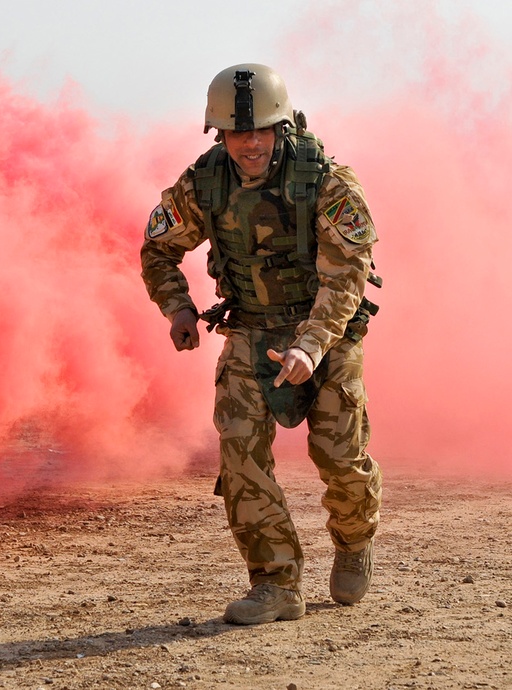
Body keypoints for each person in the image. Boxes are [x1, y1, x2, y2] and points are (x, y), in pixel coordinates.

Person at [140, 63, 383, 625]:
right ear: (218, 134)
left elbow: (346, 276)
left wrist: (312, 346)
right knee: (240, 458)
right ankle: (275, 583)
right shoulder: (205, 182)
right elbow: (157, 247)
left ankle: (353, 540)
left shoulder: (327, 181)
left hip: (326, 330)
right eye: (236, 133)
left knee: (340, 458)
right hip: (249, 331)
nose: (250, 144)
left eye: (261, 131)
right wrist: (177, 307)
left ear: (282, 127)